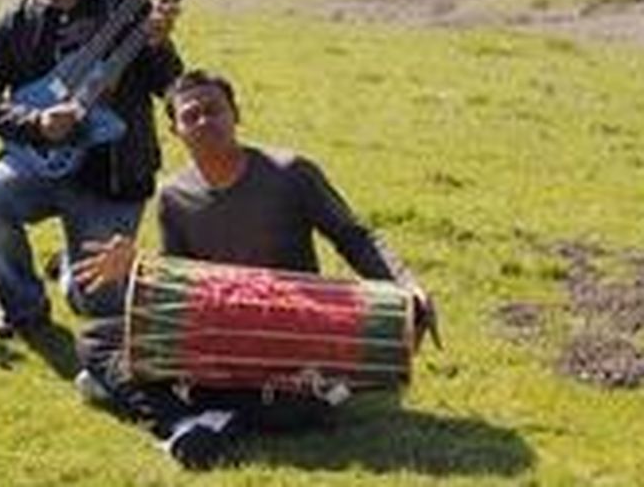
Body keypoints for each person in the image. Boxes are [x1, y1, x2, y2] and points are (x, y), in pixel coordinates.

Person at [71, 69, 436, 468]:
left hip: (294, 332)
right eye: (191, 116)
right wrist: (136, 269)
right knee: (96, 339)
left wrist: (406, 286)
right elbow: (179, 286)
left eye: (214, 110)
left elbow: (353, 236)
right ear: (176, 131)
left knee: (311, 398)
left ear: (236, 114)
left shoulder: (291, 173)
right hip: (220, 334)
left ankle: (194, 410)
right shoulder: (174, 197)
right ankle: (189, 423)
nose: (204, 121)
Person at [0, 0, 183, 337]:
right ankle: (23, 310)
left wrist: (159, 46)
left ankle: (67, 267)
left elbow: (167, 82)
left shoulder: (128, 9)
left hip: (112, 177)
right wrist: (35, 123)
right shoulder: (14, 24)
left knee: (98, 304)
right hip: (39, 164)